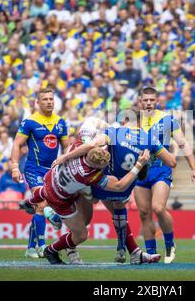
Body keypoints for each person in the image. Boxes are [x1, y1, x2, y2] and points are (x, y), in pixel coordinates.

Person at [57, 108, 177, 263]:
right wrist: (152, 155)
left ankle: (60, 226)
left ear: (124, 121)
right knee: (118, 207)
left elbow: (91, 145)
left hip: (101, 186)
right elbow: (172, 162)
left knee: (84, 209)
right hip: (124, 190)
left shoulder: (115, 132)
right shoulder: (150, 139)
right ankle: (124, 248)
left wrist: (65, 157)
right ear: (140, 123)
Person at [19, 141, 154, 265]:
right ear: (96, 165)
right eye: (103, 166)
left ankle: (29, 202)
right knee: (81, 235)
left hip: (50, 178)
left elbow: (90, 145)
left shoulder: (78, 149)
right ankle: (51, 250)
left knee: (47, 191)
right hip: (60, 199)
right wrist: (138, 165)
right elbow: (119, 186)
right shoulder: (89, 174)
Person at [135, 86, 195, 263]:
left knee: (158, 207)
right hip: (140, 171)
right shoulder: (134, 121)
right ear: (140, 101)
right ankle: (150, 254)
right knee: (143, 213)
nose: (148, 103)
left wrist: (194, 168)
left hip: (161, 169)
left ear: (157, 101)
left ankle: (170, 244)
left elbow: (183, 144)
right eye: (145, 100)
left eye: (151, 100)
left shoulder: (167, 120)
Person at [10, 88, 69, 259]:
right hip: (33, 169)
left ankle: (30, 248)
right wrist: (15, 167)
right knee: (42, 204)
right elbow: (16, 144)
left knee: (39, 208)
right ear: (38, 102)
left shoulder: (61, 122)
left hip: (52, 172)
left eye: (51, 99)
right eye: (45, 99)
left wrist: (65, 163)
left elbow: (66, 147)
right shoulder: (30, 122)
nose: (49, 102)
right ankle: (42, 246)